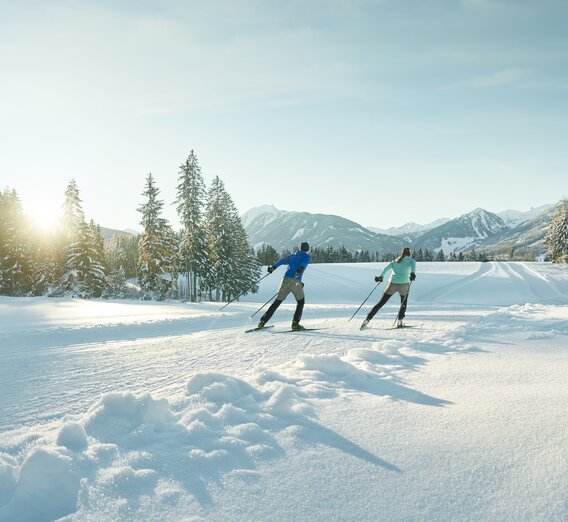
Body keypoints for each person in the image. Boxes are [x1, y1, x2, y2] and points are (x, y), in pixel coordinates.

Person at [257, 242, 311, 331]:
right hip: (295, 281)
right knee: (300, 302)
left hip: (285, 280)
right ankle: (295, 324)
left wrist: (273, 268)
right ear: (307, 249)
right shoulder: (306, 256)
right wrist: (300, 269)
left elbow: (282, 261)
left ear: (301, 248)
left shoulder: (292, 256)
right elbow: (304, 264)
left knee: (276, 302)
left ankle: (262, 322)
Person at [360, 247, 416, 330]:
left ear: (402, 253)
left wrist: (381, 277)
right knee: (403, 304)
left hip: (392, 284)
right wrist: (412, 275)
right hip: (404, 285)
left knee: (381, 303)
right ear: (409, 253)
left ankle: (366, 321)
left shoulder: (395, 261)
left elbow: (386, 269)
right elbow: (413, 270)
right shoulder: (411, 261)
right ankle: (399, 322)